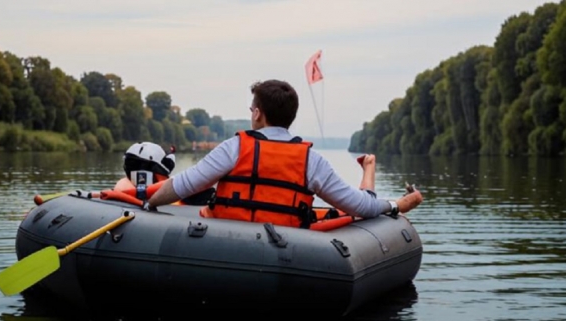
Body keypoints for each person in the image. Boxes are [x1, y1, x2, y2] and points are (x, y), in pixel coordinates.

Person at [146, 79, 424, 227]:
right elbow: (359, 206)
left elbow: (182, 186)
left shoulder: (234, 147)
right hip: (289, 248)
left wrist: (149, 205)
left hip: (225, 238)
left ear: (257, 114)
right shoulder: (311, 161)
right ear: (291, 116)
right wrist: (395, 205)